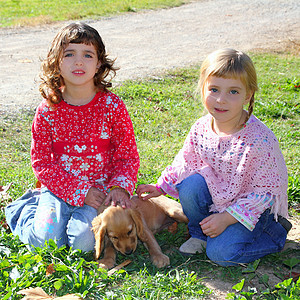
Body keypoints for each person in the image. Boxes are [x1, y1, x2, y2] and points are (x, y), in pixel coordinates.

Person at [136, 48, 291, 266]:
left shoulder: (259, 140)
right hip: (218, 200)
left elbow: (265, 194)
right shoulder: (201, 128)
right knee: (190, 185)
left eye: (233, 92)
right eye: (214, 89)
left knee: (221, 254)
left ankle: (274, 236)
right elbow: (185, 162)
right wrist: (160, 187)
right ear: (203, 89)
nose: (221, 100)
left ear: (248, 95)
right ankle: (200, 234)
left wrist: (227, 218)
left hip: (253, 212)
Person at [5, 22, 139, 252]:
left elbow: (127, 156)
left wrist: (119, 187)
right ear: (56, 61)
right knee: (46, 244)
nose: (79, 61)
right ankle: (23, 210)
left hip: (98, 192)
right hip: (57, 189)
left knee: (84, 245)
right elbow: (42, 163)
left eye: (88, 55)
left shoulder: (112, 106)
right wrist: (79, 191)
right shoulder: (47, 110)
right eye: (69, 54)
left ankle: (65, 222)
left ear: (98, 64)